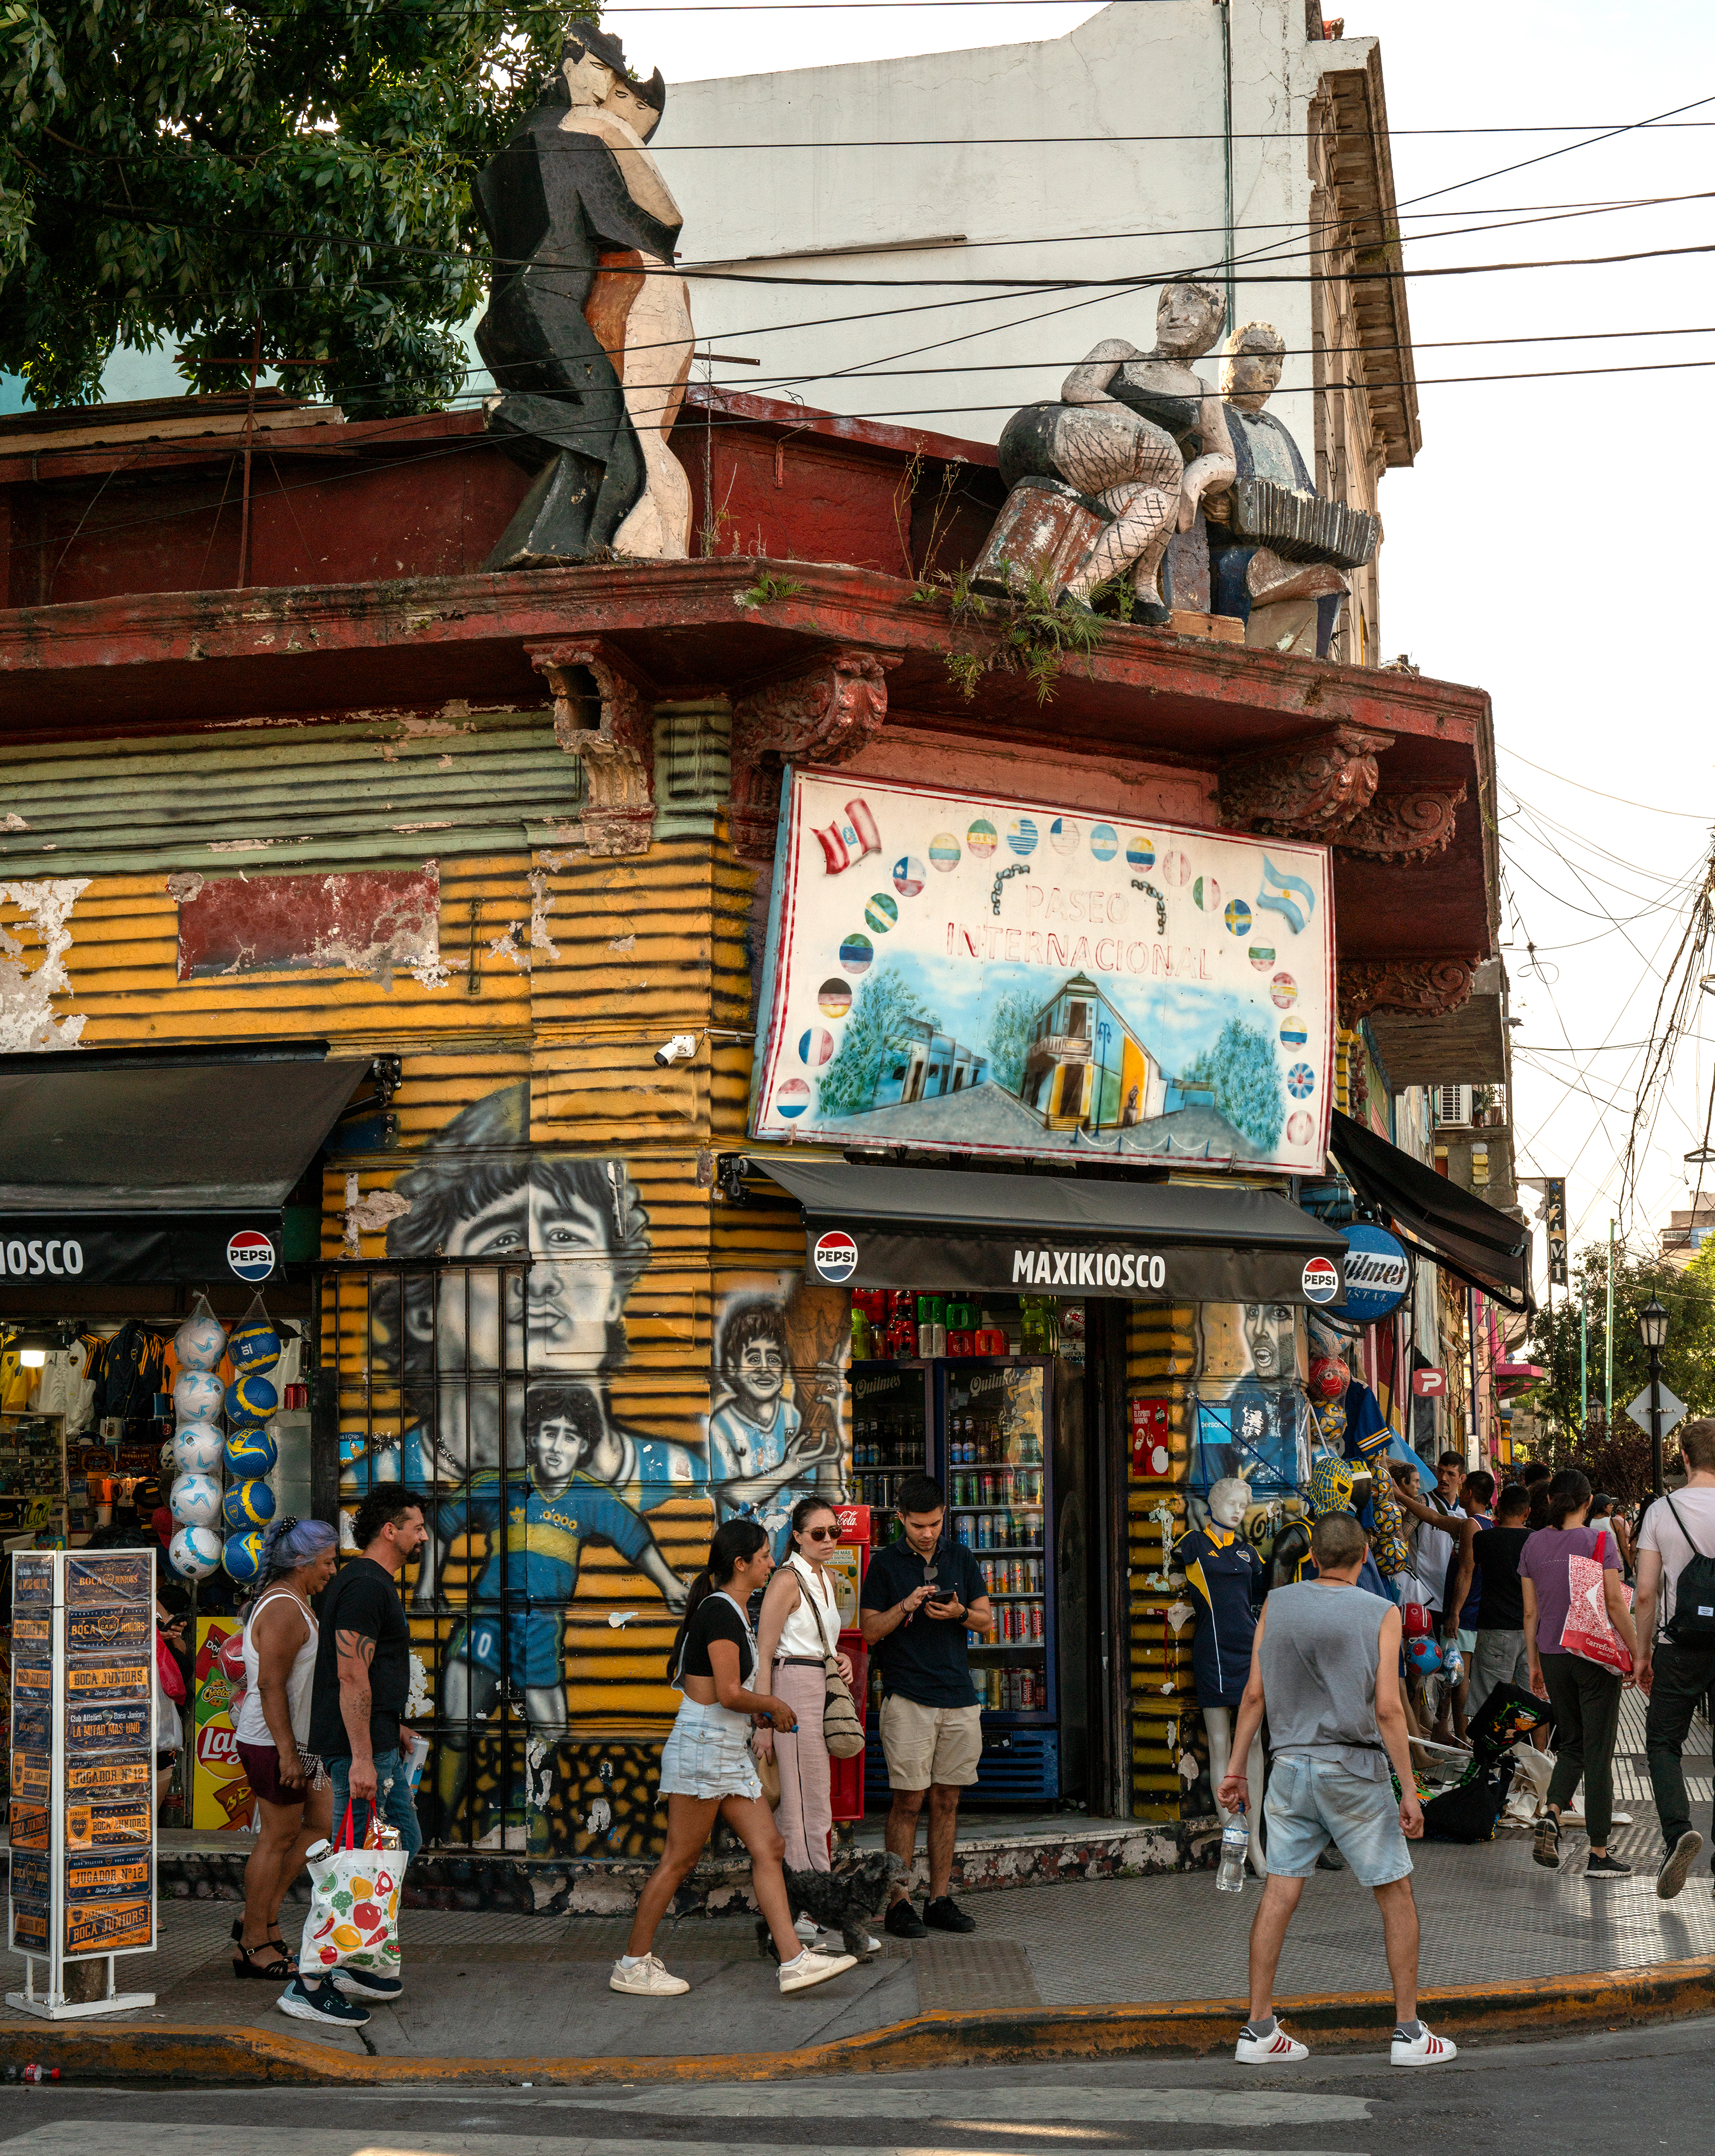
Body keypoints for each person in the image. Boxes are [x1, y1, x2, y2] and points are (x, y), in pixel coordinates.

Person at [1220, 1511, 1455, 2068]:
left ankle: (1258, 2029)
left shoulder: (1276, 1605)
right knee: (1394, 1892)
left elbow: (1253, 1697)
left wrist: (1234, 1770)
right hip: (1353, 1770)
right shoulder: (1381, 1612)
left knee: (1280, 1891)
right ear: (1365, 1553)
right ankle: (1408, 2032)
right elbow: (1390, 1708)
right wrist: (1408, 1788)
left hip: (1288, 1770)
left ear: (1314, 1557)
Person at [416, 1383, 688, 1846]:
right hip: (487, 1619)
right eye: (549, 1432)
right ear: (532, 1438)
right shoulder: (500, 1487)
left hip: (543, 1627)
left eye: (569, 1435)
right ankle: (437, 1829)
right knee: (458, 1721)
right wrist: (426, 1586)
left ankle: (534, 1825)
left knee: (551, 1728)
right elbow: (440, 1524)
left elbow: (636, 1538)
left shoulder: (591, 1497)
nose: (557, 1445)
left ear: (583, 1445)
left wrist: (670, 1585)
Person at [613, 1519, 858, 1996]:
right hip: (704, 1749)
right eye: (765, 1556)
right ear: (740, 1564)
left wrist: (759, 1716)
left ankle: (793, 1960)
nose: (772, 1563)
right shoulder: (721, 1612)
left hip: (724, 1750)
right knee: (679, 1860)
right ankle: (632, 1963)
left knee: (769, 1847)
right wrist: (773, 1705)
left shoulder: (732, 1610)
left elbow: (729, 1694)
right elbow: (727, 1693)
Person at [280, 1491, 428, 2029]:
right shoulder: (366, 1584)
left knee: (400, 1846)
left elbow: (370, 1676)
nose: (424, 1536)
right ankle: (309, 1983)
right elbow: (350, 1674)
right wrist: (364, 1755)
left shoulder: (368, 1582)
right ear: (389, 1530)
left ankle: (360, 1959)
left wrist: (391, 1723)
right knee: (354, 1867)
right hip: (359, 1754)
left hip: (380, 1743)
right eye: (416, 1527)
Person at [859, 1473, 993, 1939]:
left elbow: (988, 1622)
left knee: (948, 1800)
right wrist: (906, 1606)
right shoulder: (884, 1565)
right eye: (918, 1525)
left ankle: (939, 1898)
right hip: (908, 1697)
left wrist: (959, 1614)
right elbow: (871, 1631)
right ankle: (899, 1901)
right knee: (907, 1802)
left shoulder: (962, 1556)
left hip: (958, 1697)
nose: (927, 1533)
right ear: (900, 1519)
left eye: (935, 1523)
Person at [754, 1496, 872, 1944]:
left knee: (816, 1800)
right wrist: (764, 1720)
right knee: (799, 1803)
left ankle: (816, 1904)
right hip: (789, 1687)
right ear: (798, 1536)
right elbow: (766, 1652)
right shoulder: (788, 1577)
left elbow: (816, 1639)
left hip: (815, 1682)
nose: (829, 1540)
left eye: (834, 1533)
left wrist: (839, 1657)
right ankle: (805, 1909)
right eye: (818, 1533)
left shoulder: (827, 1577)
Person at [232, 1519, 339, 1980]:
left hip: (299, 1744)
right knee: (276, 1837)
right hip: (275, 1743)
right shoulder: (283, 1608)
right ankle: (254, 1941)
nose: (333, 1570)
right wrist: (288, 1754)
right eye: (328, 1560)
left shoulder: (294, 1602)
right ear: (302, 1560)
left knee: (318, 1824)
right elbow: (271, 1684)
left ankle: (262, 1917)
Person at [1520, 1468, 1638, 1879]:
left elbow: (1530, 1611)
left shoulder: (1533, 1543)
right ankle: (1600, 1852)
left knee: (1571, 1743)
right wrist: (1638, 1653)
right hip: (1592, 1655)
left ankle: (1552, 1811)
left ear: (1551, 1500)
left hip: (1552, 1655)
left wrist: (1534, 1662)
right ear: (1589, 1502)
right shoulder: (1600, 1540)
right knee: (1599, 1752)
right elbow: (1614, 1602)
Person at [1634, 1418, 1715, 1899]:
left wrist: (1642, 1655)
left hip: (1678, 1646)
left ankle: (1677, 1833)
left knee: (1664, 1743)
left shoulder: (1662, 1511)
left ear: (1683, 1457)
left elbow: (1645, 1594)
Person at [708, 1302, 839, 1555]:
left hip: (796, 1564)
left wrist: (828, 1421)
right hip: (745, 1566)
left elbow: (829, 1494)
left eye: (773, 1357)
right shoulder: (723, 1424)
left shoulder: (799, 1417)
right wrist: (793, 1465)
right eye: (754, 1357)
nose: (765, 1367)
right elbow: (735, 1496)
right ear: (733, 1367)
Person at [1466, 1484, 1534, 1717]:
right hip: (1531, 1630)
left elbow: (1469, 1571)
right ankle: (1538, 1752)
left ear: (1498, 1509)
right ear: (1527, 1513)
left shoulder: (1484, 1539)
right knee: (1532, 1700)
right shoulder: (1536, 1541)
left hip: (1494, 1628)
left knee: (1489, 1700)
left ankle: (1490, 1754)